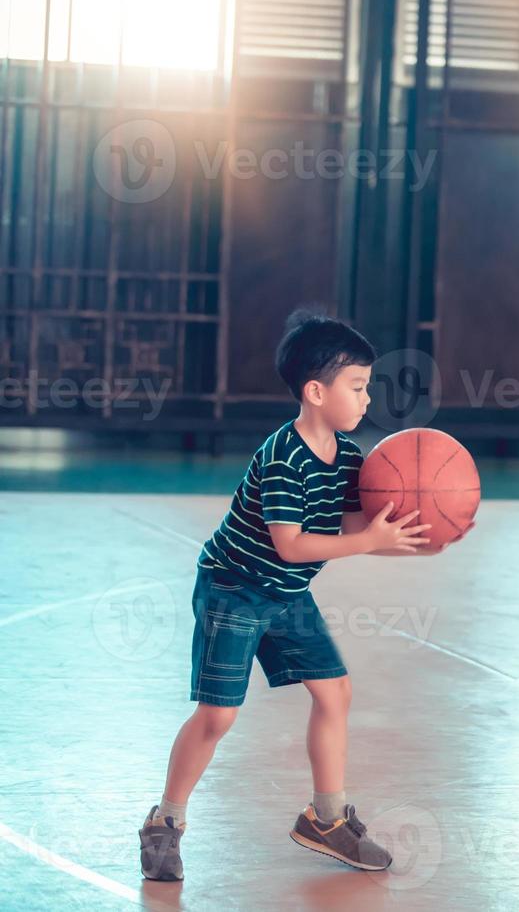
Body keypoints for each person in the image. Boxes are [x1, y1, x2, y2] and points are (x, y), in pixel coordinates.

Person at [139, 310, 467, 880]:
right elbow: (292, 544)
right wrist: (373, 538)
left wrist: (420, 543)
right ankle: (165, 821)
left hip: (286, 591)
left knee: (334, 694)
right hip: (234, 588)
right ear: (316, 391)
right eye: (358, 387)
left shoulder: (347, 458)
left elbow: (360, 533)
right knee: (218, 716)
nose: (368, 400)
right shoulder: (283, 457)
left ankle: (326, 818)